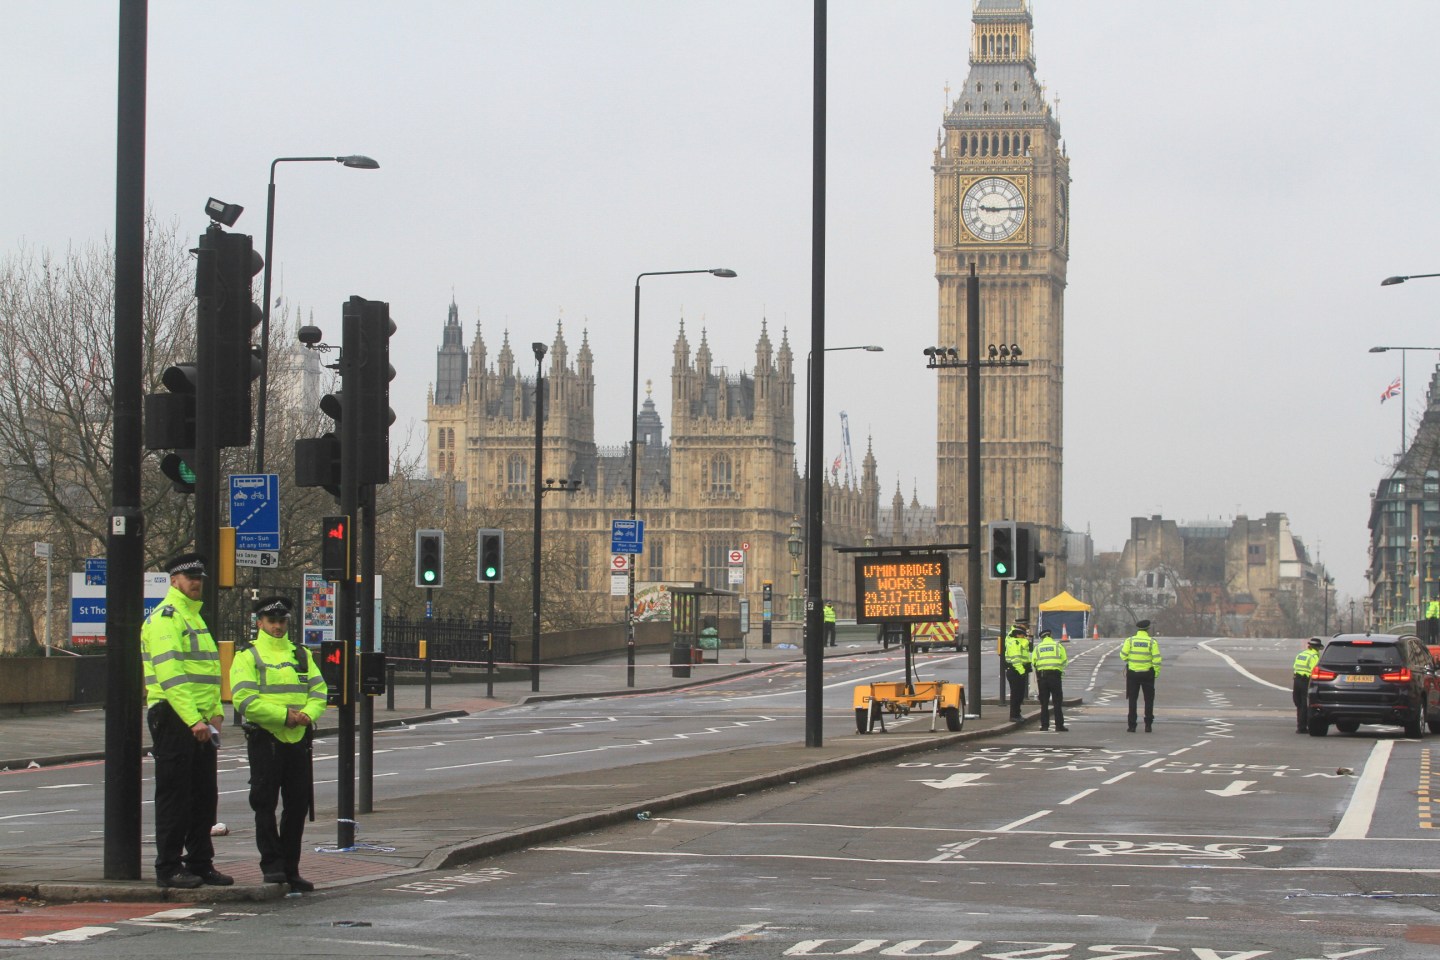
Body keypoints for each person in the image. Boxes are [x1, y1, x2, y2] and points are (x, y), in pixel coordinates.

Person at [141, 553, 232, 889]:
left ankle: (199, 862)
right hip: (173, 715)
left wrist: (216, 715)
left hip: (198, 718)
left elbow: (208, 674)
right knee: (175, 795)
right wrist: (194, 719)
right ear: (174, 581)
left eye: (200, 577)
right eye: (189, 577)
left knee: (204, 796)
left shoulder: (195, 619)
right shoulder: (166, 618)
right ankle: (168, 866)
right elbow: (171, 676)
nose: (196, 582)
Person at [229, 596, 328, 891]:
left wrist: (308, 715)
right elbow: (244, 700)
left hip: (298, 738)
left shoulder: (301, 654)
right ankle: (272, 867)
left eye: (282, 621)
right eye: (272, 621)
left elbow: (319, 691)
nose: (277, 626)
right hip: (266, 737)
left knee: (297, 805)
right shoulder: (248, 655)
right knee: (265, 804)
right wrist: (285, 716)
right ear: (259, 623)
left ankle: (291, 868)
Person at [1121, 619, 1162, 732]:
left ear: (1138, 629)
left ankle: (1132, 725)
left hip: (1133, 674)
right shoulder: (1151, 642)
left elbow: (1123, 656)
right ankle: (1148, 725)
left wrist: (1131, 660)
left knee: (1132, 699)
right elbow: (1157, 659)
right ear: (1148, 629)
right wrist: (1156, 673)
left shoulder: (1130, 641)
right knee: (1149, 700)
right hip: (1147, 674)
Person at [1032, 628, 1068, 732]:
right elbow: (1064, 660)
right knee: (1057, 702)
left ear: (1042, 637)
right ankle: (1059, 726)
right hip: (1055, 676)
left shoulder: (1038, 647)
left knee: (1044, 703)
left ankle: (1044, 726)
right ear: (1050, 635)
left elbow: (1033, 662)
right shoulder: (1057, 646)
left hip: (1042, 677)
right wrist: (1059, 670)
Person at [1292, 637, 1323, 734]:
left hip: (1296, 680)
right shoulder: (1314, 656)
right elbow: (1314, 670)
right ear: (1317, 648)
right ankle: (1303, 727)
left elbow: (1295, 667)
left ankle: (1299, 726)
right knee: (1305, 704)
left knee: (1299, 703)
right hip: (1306, 681)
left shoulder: (1301, 654)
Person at [1003, 620, 1033, 721]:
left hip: (1019, 670)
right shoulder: (1014, 643)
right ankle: (1014, 715)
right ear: (1018, 634)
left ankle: (1017, 714)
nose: (1024, 637)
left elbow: (1025, 656)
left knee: (1019, 694)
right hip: (1015, 671)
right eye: (1023, 635)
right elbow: (1016, 659)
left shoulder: (1019, 642)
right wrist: (1022, 672)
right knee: (1016, 694)